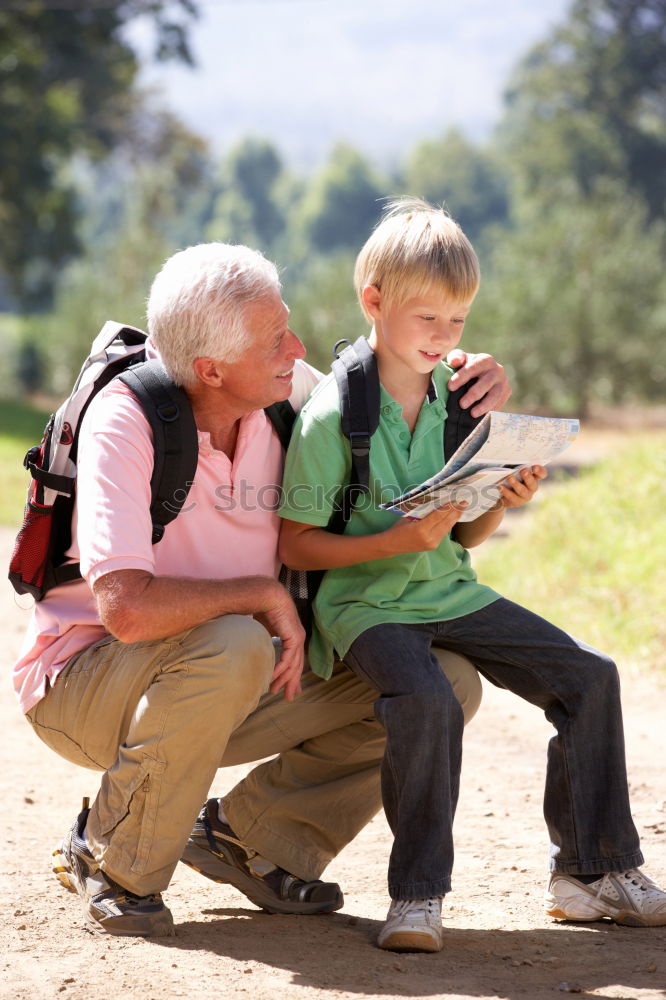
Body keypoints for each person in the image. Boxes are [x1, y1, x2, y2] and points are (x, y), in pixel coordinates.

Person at [13, 240, 512, 938]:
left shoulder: (289, 396)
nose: (297, 347)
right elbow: (125, 610)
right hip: (88, 686)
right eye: (276, 338)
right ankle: (114, 859)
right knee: (236, 637)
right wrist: (261, 593)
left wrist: (468, 374)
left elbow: (395, 376)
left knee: (441, 681)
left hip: (239, 672)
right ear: (211, 369)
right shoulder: (125, 422)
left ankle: (253, 841)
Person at [277, 198, 666, 953]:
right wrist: (396, 538)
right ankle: (417, 897)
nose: (444, 339)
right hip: (366, 606)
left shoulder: (459, 400)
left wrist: (502, 499)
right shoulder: (333, 417)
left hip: (447, 589)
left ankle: (591, 874)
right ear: (374, 302)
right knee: (425, 701)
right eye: (428, 319)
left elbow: (467, 533)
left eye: (457, 322)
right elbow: (295, 545)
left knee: (590, 676)